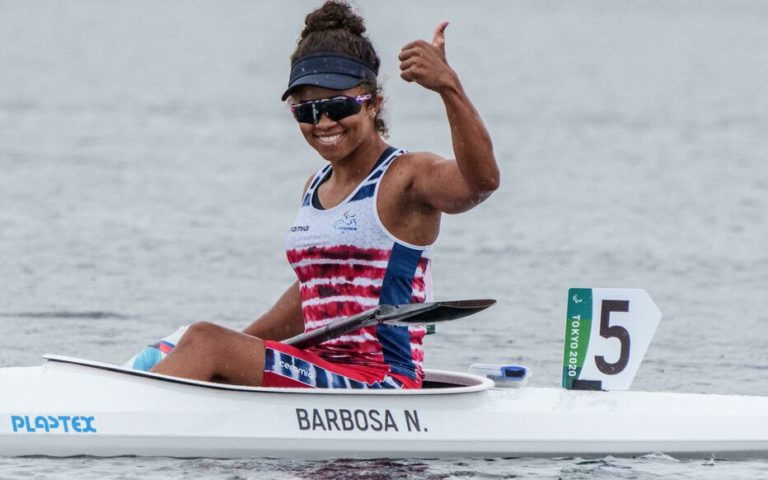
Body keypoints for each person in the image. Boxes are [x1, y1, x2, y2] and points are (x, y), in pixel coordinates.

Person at [149, 0, 499, 389]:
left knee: (203, 340)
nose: (324, 123)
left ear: (374, 104)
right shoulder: (315, 186)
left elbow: (480, 183)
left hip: (381, 381)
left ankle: (118, 418)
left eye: (337, 105)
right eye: (307, 111)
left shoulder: (407, 177)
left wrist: (449, 87)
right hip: (319, 371)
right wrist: (227, 353)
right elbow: (313, 292)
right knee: (181, 343)